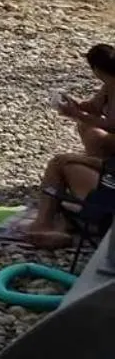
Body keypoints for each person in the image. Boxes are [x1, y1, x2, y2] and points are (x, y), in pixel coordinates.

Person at [28, 45, 115, 247]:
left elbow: (109, 162)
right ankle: (61, 227)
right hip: (108, 184)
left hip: (108, 207)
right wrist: (75, 106)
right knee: (75, 151)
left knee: (60, 163)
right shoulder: (108, 87)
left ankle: (44, 224)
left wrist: (80, 158)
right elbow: (93, 108)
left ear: (97, 69)